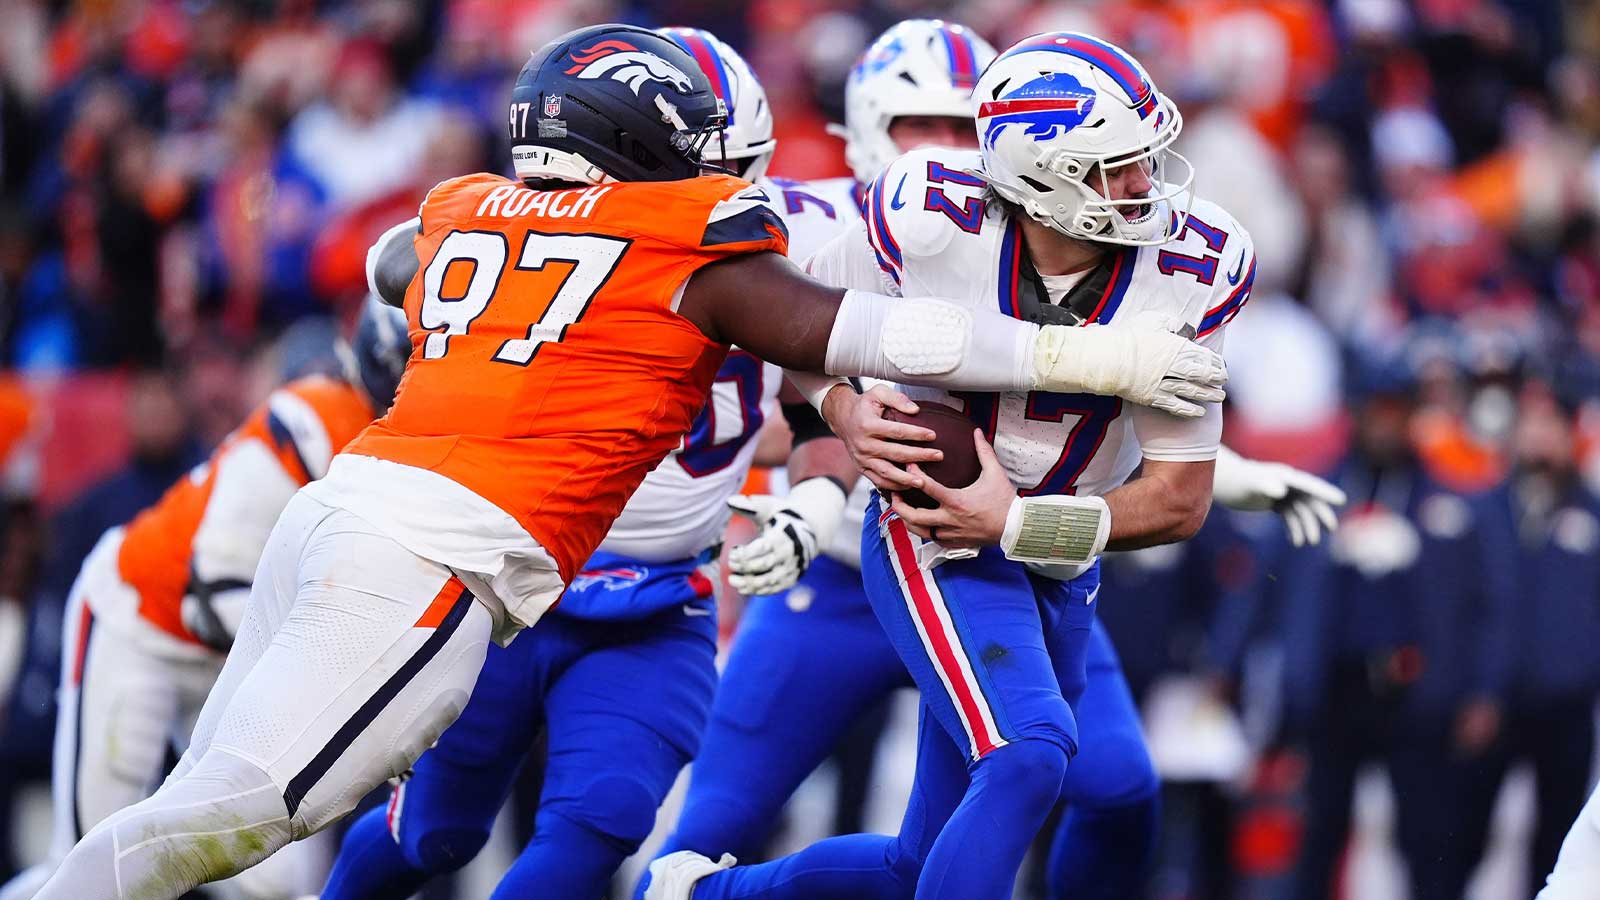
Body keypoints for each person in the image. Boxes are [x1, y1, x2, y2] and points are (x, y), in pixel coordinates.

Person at [31, 24, 1227, 898]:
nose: (731, 177)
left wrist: (823, 438)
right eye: (708, 153)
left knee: (552, 817)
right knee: (252, 816)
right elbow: (866, 331)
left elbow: (400, 267)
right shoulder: (698, 243)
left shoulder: (465, 202)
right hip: (455, 563)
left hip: (454, 537)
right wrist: (1110, 364)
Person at [652, 21, 1341, 900]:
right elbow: (785, 324)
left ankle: (705, 894)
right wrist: (840, 411)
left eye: (1146, 157)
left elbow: (1177, 499)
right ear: (1038, 171)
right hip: (930, 529)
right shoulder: (927, 219)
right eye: (1116, 165)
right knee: (1028, 755)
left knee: (925, 861)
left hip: (1057, 562)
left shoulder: (1191, 264)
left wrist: (1019, 521)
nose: (1146, 185)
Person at [316, 27, 784, 899]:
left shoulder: (774, 264)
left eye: (731, 173)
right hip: (503, 581)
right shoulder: (541, 236)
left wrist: (819, 495)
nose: (712, 195)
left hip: (655, 598)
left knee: (599, 819)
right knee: (432, 833)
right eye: (688, 171)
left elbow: (830, 392)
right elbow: (396, 265)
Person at [0, 297, 408, 900]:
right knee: (93, 861)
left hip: (229, 662)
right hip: (142, 626)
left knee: (273, 877)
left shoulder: (388, 446)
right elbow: (212, 593)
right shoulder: (310, 423)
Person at [1280, 351, 1517, 900]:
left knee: (1428, 841)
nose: (1385, 424)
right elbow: (1274, 593)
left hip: (1418, 695)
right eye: (1375, 410)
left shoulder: (1452, 500)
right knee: (1318, 838)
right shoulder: (1317, 491)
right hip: (1335, 689)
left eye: (1396, 411)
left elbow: (1490, 604)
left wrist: (1484, 691)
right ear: (1357, 413)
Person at [1465, 379, 1600, 899]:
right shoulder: (1482, 510)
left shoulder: (1592, 513)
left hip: (1566, 707)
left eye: (1552, 423)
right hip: (1489, 704)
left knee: (1559, 851)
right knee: (1459, 837)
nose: (1540, 436)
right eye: (1531, 422)